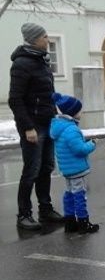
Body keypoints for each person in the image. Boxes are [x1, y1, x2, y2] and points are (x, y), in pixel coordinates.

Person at [8, 22, 64, 230]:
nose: (47, 40)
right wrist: (27, 128)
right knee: (31, 170)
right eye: (44, 37)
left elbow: (46, 94)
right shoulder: (22, 64)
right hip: (33, 126)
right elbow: (15, 99)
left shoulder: (42, 61)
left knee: (47, 167)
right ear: (34, 39)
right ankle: (23, 215)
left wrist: (57, 113)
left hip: (48, 122)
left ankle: (46, 209)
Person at [50, 93, 99, 233]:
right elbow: (80, 150)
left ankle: (70, 222)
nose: (81, 112)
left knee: (69, 194)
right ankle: (84, 223)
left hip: (67, 170)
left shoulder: (60, 127)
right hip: (77, 169)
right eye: (79, 110)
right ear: (72, 113)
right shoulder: (71, 129)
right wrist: (92, 143)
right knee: (80, 196)